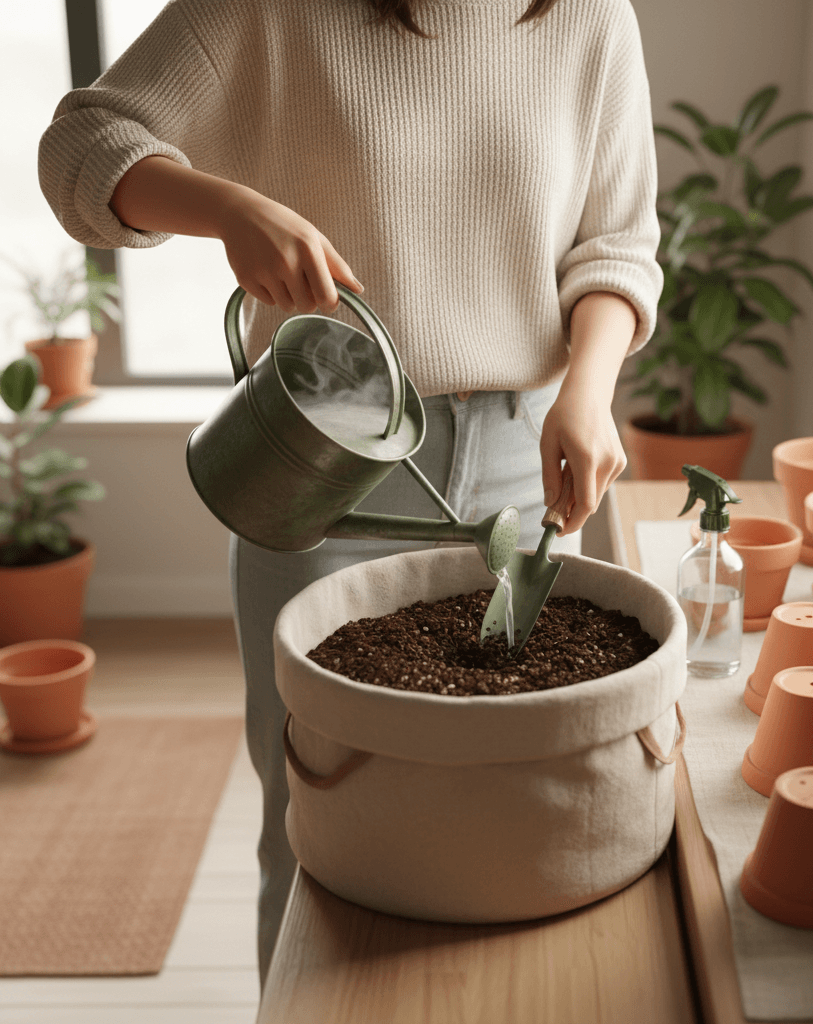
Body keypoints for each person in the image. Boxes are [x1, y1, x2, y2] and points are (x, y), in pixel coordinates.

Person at [39, 0, 662, 985]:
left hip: (525, 469)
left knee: (516, 817)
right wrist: (228, 207)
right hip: (319, 465)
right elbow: (81, 145)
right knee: (319, 824)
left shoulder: (590, 18)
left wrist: (588, 391)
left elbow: (615, 247)